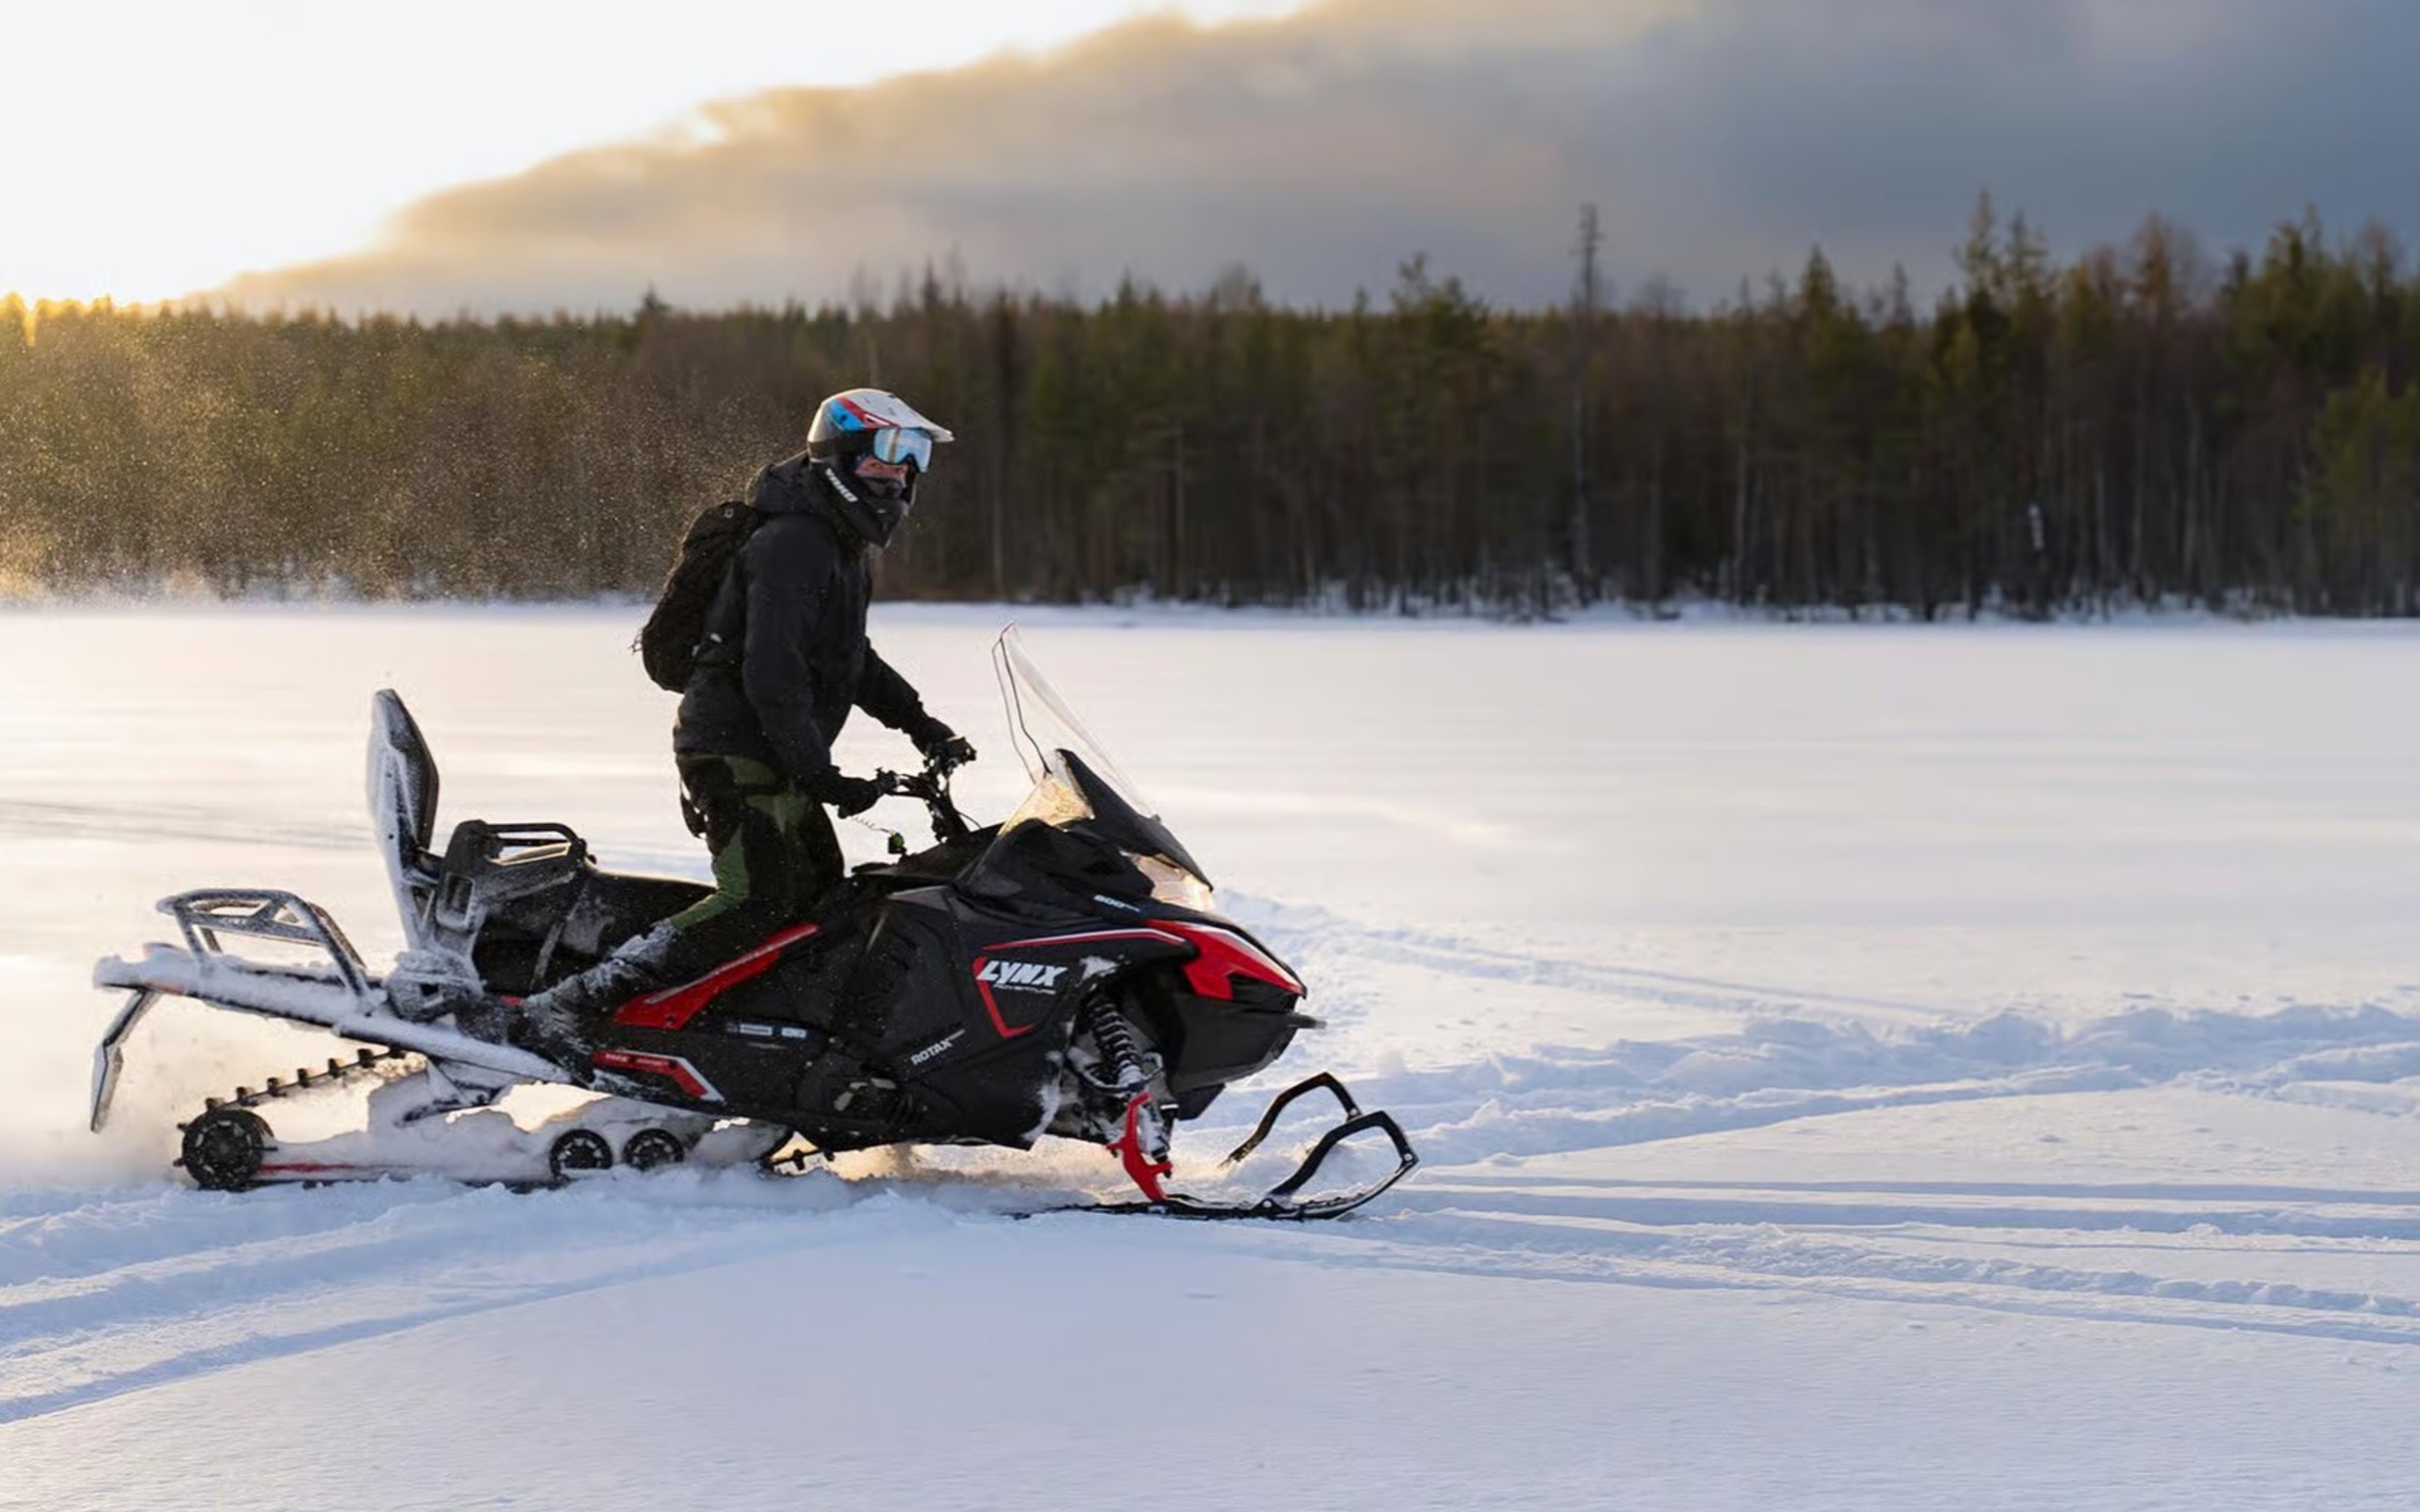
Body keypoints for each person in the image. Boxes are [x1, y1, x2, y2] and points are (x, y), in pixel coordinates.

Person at [514, 387, 975, 1049]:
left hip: (773, 752)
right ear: (841, 458)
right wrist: (819, 773)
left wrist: (920, 723)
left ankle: (751, 1042)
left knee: (818, 902)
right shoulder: (794, 542)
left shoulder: (838, 547)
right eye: (888, 456)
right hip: (734, 747)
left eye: (914, 460)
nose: (901, 474)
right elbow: (773, 671)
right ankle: (576, 1003)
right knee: (754, 899)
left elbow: (851, 657)